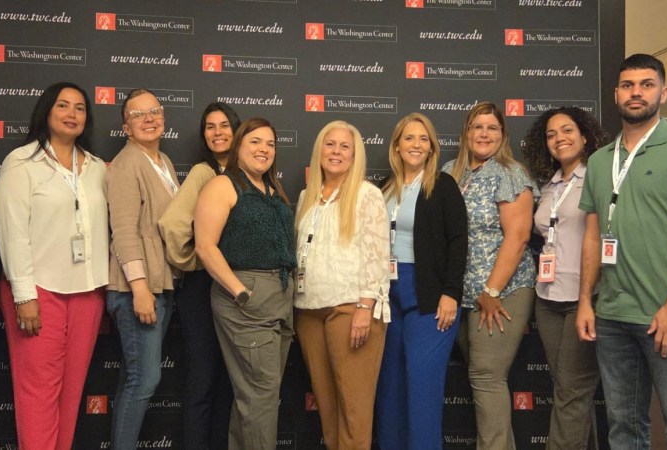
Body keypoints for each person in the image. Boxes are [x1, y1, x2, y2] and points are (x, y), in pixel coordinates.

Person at [576, 53, 667, 449]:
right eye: (628, 85)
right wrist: (585, 301)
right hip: (612, 316)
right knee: (624, 429)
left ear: (664, 92)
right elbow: (592, 236)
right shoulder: (600, 160)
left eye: (646, 84)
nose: (636, 92)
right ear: (616, 94)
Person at [0, 82, 109, 450]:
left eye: (80, 108)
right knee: (38, 394)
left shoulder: (96, 168)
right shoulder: (21, 163)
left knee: (72, 394)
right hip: (39, 291)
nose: (72, 114)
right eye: (63, 105)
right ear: (46, 111)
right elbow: (11, 232)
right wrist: (24, 295)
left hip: (88, 292)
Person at [194, 117, 296, 450]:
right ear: (238, 146)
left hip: (280, 299)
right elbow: (205, 246)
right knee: (260, 398)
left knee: (256, 398)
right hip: (247, 299)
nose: (264, 149)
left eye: (270, 143)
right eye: (255, 141)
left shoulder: (272, 189)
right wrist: (240, 292)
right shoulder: (223, 185)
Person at [443, 101, 536, 450]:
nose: (484, 134)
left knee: (486, 377)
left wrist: (493, 290)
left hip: (502, 291)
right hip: (463, 295)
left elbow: (518, 236)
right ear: (466, 133)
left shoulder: (510, 172)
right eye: (477, 127)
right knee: (484, 379)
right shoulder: (451, 172)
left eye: (492, 128)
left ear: (502, 135)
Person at [293, 121, 389, 450]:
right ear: (319, 150)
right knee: (328, 409)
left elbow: (378, 254)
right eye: (330, 144)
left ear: (354, 154)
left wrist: (365, 307)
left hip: (350, 310)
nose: (336, 152)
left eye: (344, 146)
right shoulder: (306, 197)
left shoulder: (366, 194)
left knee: (354, 410)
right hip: (309, 312)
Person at [376, 113, 468, 450]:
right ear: (396, 146)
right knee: (390, 387)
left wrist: (451, 293)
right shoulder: (384, 188)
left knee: (422, 387)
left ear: (431, 148)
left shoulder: (442, 185)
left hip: (429, 294)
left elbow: (459, 241)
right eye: (409, 138)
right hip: (387, 294)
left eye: (423, 139)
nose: (416, 145)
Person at [523, 106, 609, 449]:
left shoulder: (598, 180)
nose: (559, 138)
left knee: (573, 391)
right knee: (567, 389)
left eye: (568, 130)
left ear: (585, 137)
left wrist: (588, 299)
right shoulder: (550, 187)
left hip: (585, 298)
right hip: (547, 298)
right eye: (551, 134)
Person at [159, 102, 240, 450]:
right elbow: (172, 225)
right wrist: (199, 260)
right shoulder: (203, 173)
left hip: (233, 289)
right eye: (210, 126)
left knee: (226, 382)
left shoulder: (244, 173)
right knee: (203, 379)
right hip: (203, 289)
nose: (217, 132)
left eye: (224, 125)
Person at [105, 89, 180, 450]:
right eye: (138, 115)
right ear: (126, 127)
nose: (149, 119)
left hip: (160, 285)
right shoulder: (125, 165)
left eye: (154, 111)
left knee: (135, 378)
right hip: (137, 288)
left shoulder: (163, 161)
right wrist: (139, 288)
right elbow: (123, 231)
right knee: (145, 380)